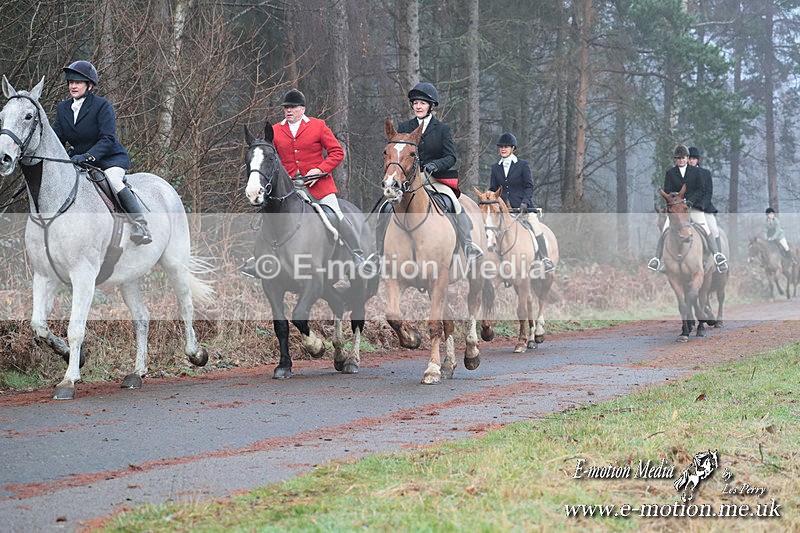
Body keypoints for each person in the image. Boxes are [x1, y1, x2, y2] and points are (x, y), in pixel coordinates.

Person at [242, 89, 374, 276]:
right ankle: (259, 259)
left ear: (302, 109)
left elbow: (337, 152)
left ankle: (357, 255)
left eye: (293, 107)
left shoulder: (318, 126)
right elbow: (269, 158)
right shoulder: (276, 130)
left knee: (336, 215)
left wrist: (320, 170)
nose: (289, 111)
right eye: (286, 108)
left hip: (318, 186)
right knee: (269, 217)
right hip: (289, 188)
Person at [376, 81, 483, 263]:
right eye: (416, 103)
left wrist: (435, 165)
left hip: (434, 179)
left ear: (431, 106)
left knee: (453, 203)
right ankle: (378, 254)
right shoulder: (403, 127)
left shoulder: (442, 129)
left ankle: (468, 245)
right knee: (384, 208)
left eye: (423, 103)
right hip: (407, 179)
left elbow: (451, 157)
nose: (418, 106)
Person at [52, 60, 151, 244]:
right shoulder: (62, 108)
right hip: (79, 162)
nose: (73, 86)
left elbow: (107, 139)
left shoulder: (102, 106)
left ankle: (140, 224)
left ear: (89, 85)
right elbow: (56, 139)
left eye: (78, 82)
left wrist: (87, 156)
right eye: (71, 82)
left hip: (109, 159)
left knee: (113, 180)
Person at [648, 144, 728, 272]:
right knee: (665, 230)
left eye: (683, 158)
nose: (681, 160)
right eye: (678, 158)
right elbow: (668, 190)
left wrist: (690, 201)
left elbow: (701, 190)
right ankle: (657, 259)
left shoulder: (696, 172)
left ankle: (717, 256)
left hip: (694, 206)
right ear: (676, 159)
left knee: (707, 228)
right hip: (677, 208)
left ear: (687, 158)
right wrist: (674, 198)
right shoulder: (670, 173)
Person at [488, 132, 554, 273]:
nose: (503, 149)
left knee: (536, 227)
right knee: (489, 228)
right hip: (503, 210)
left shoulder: (522, 165)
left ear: (513, 148)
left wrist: (525, 202)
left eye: (506, 147)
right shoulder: (495, 168)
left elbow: (529, 186)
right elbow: (493, 189)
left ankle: (544, 258)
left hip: (523, 207)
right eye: (501, 147)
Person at [687, 146, 727, 266]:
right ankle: (667, 260)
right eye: (689, 158)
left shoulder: (705, 173)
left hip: (703, 208)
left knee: (714, 230)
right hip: (686, 208)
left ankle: (719, 258)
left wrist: (702, 205)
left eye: (693, 158)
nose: (691, 161)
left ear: (697, 160)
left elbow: (708, 192)